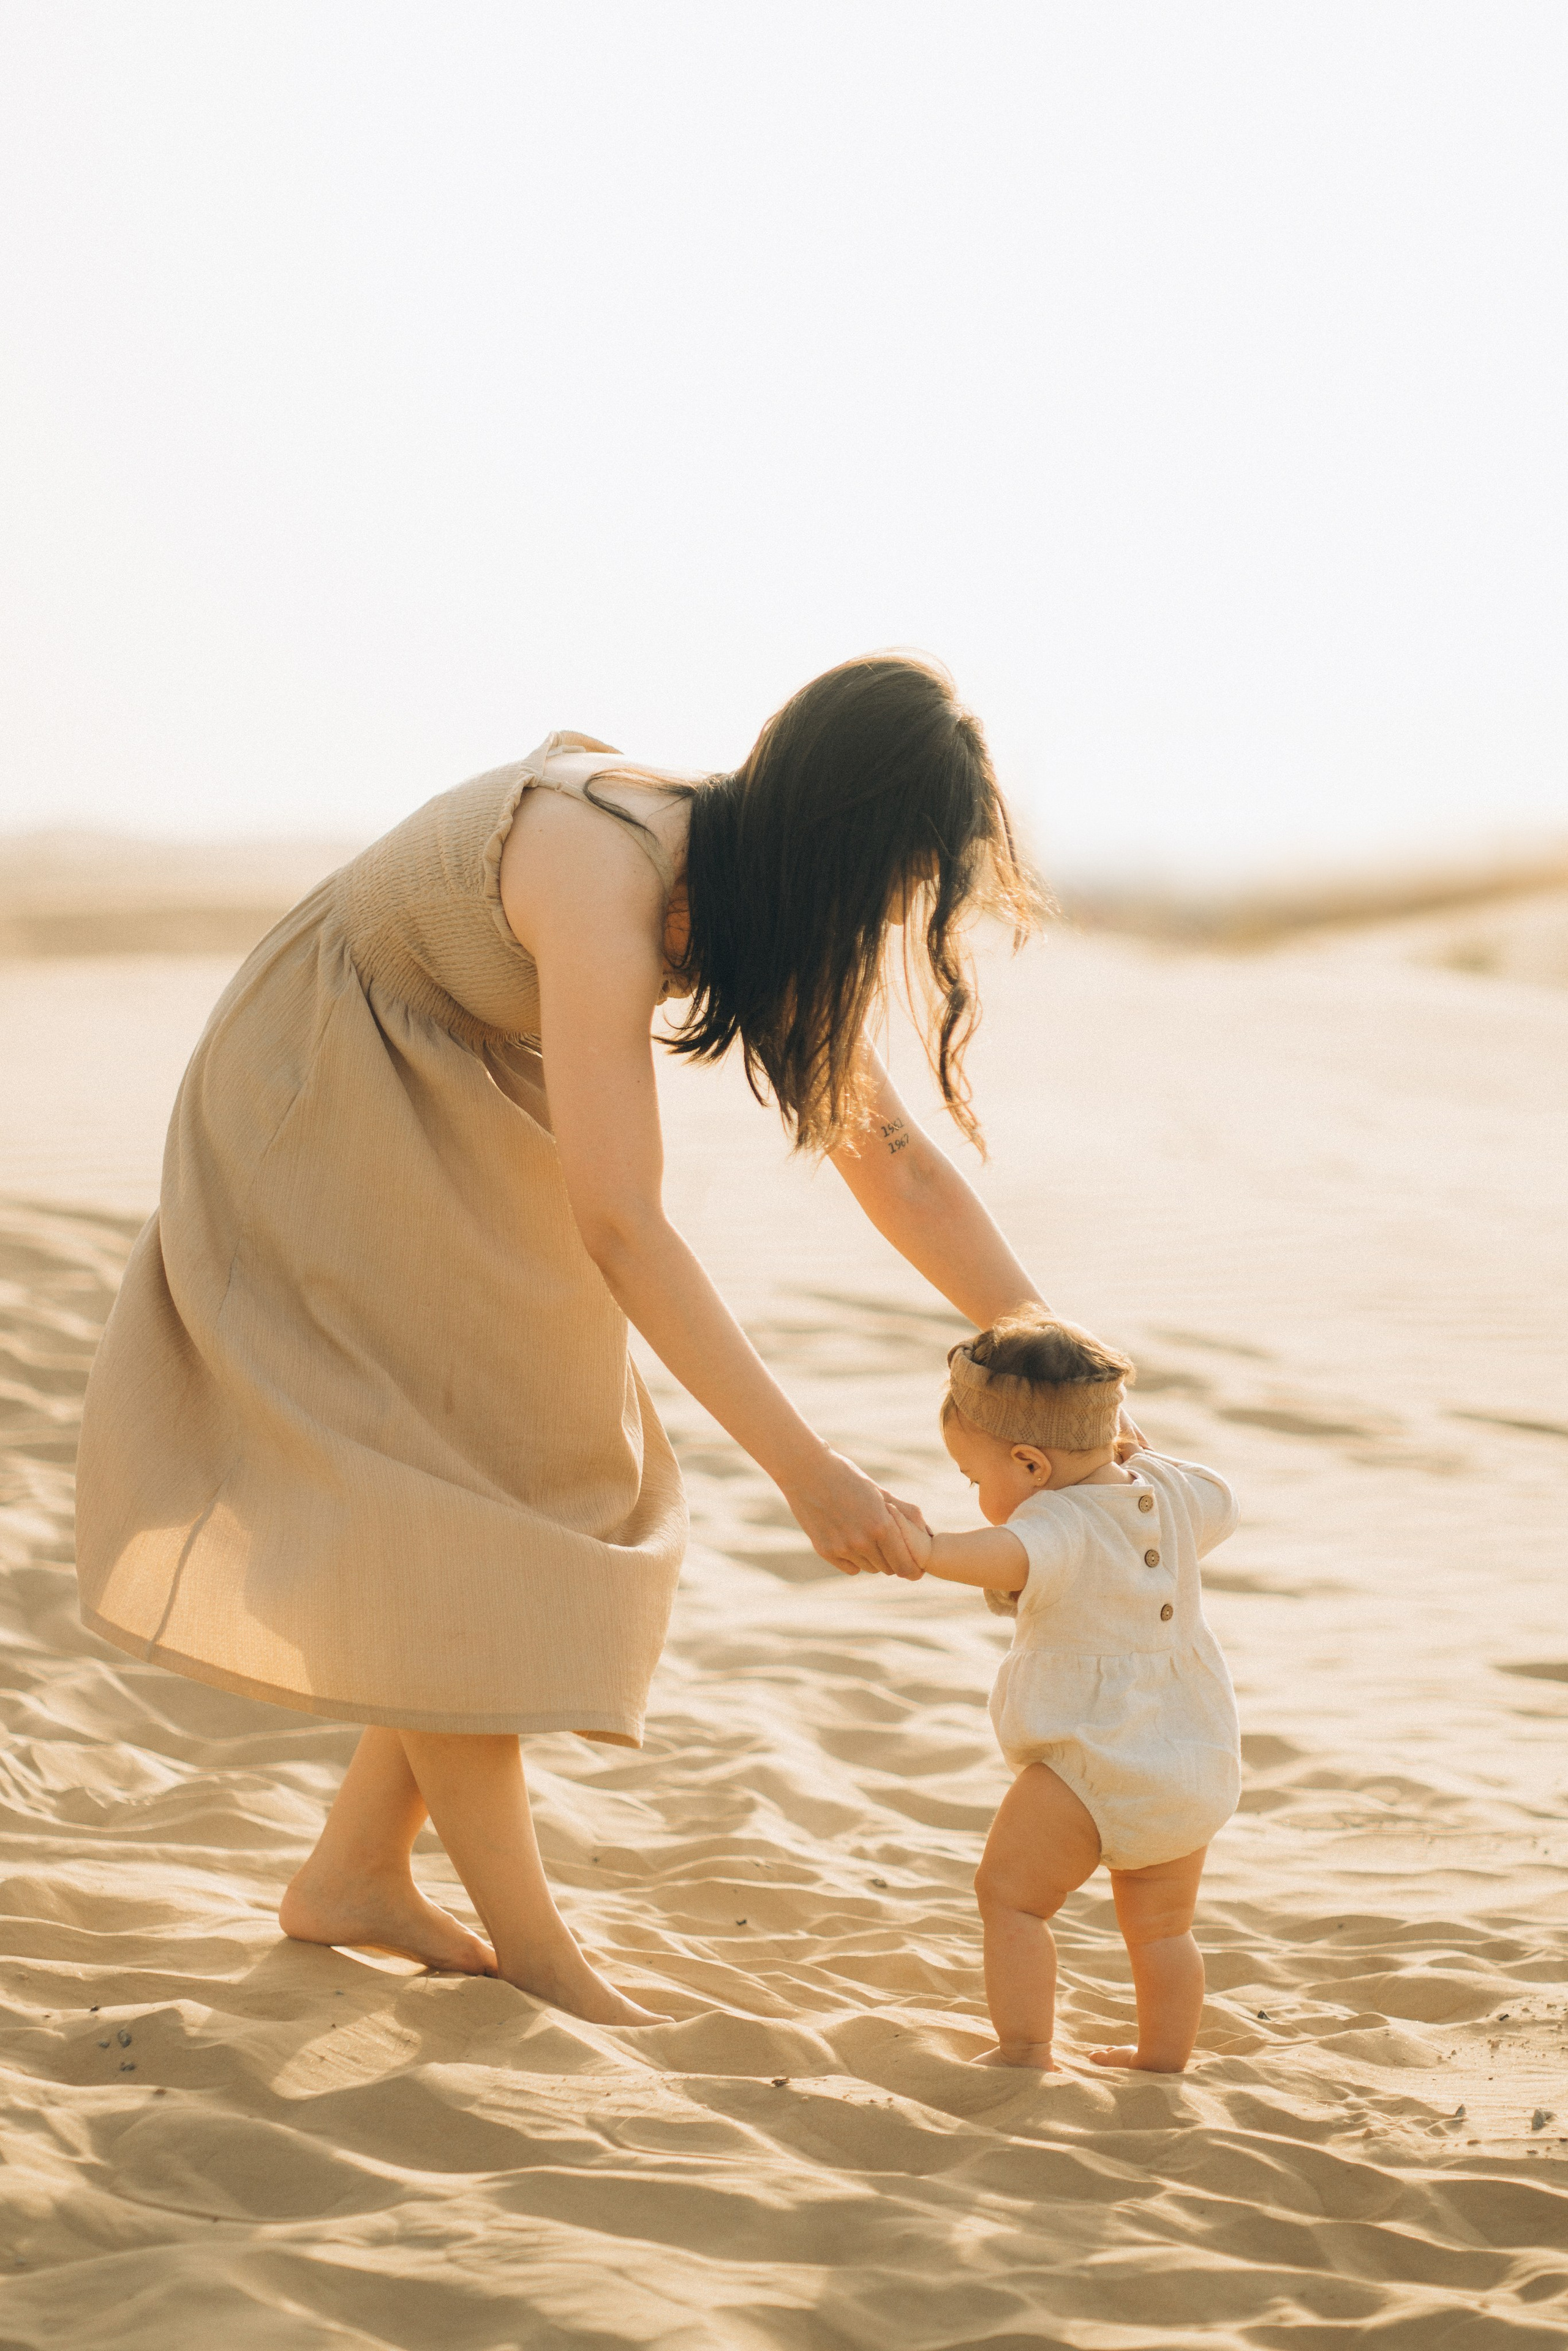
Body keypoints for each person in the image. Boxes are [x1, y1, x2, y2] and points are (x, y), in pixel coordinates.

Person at [75, 652, 1046, 2024]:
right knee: (454, 1500)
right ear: (838, 841)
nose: (894, 918)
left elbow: (888, 1154)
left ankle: (355, 1871)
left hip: (452, 1082)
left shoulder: (747, 892)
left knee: (539, 1462)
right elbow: (625, 1224)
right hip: (325, 1078)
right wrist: (805, 1470)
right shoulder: (607, 873)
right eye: (896, 880)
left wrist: (1043, 1336)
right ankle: (536, 1952)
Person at [888, 1307, 1241, 2072]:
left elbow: (1003, 1554)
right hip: (1192, 1758)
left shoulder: (1056, 1523)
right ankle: (1161, 2059)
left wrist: (925, 1549)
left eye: (975, 1477)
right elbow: (1222, 1497)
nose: (978, 1491)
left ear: (1030, 1465)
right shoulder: (1173, 1492)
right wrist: (1139, 1455)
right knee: (1162, 1930)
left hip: (1094, 1757)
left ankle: (1025, 2050)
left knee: (1010, 1899)